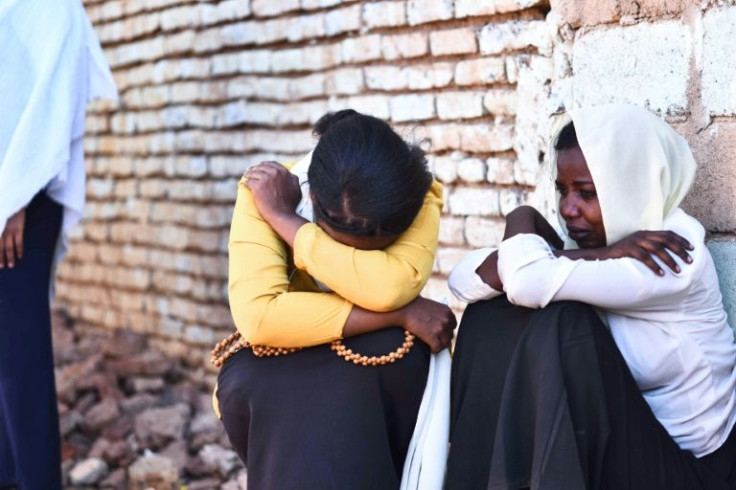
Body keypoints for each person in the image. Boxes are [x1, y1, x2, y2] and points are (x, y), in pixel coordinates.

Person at [445, 103, 736, 489]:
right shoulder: (607, 241)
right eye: (562, 191)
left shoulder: (673, 254)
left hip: (689, 471)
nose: (568, 210)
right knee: (491, 315)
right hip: (624, 443)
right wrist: (587, 247)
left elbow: (524, 280)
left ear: (630, 185)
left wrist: (525, 221)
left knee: (562, 324)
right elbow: (463, 280)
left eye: (586, 193)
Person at [212, 109, 456, 489]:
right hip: (284, 350)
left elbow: (389, 287)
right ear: (311, 194)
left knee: (396, 355)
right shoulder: (264, 193)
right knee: (245, 379)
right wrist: (398, 315)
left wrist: (289, 225)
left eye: (370, 251)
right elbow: (259, 318)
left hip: (376, 353)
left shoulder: (417, 195)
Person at [0, 1, 117, 489]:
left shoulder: (54, 9)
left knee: (17, 352)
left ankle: (34, 479)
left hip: (21, 202)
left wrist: (13, 200)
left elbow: (46, 101)